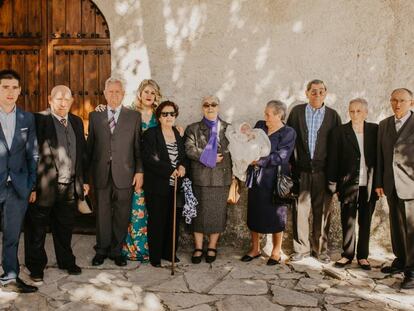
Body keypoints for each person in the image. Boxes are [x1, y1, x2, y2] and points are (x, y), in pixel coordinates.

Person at [24, 85, 89, 282]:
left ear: (71, 101)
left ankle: (66, 261)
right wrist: (32, 186)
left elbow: (81, 154)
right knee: (36, 229)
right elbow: (29, 154)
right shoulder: (39, 120)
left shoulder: (77, 122)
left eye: (67, 99)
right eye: (59, 98)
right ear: (50, 100)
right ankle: (36, 266)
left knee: (65, 227)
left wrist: (82, 181)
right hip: (44, 186)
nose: (63, 103)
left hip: (68, 186)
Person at [94, 79, 162, 262]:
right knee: (132, 210)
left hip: (150, 170)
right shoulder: (130, 112)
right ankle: (119, 248)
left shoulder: (159, 115)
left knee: (138, 211)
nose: (149, 95)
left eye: (152, 92)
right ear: (139, 93)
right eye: (146, 91)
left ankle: (143, 247)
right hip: (127, 170)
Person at [87, 77, 143, 267]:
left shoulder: (133, 117)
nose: (114, 95)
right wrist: (87, 177)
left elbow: (138, 148)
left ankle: (117, 250)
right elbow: (91, 147)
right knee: (102, 212)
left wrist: (139, 172)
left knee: (122, 213)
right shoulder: (95, 116)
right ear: (104, 93)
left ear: (123, 94)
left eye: (117, 91)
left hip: (125, 173)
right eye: (110, 91)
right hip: (101, 172)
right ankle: (101, 249)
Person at [287, 79, 341, 263]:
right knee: (300, 211)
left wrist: (335, 177)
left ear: (326, 93)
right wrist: (290, 169)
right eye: (313, 91)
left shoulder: (333, 116)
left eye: (321, 91)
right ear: (307, 93)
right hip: (301, 171)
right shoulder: (296, 113)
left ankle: (320, 250)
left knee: (323, 212)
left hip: (323, 172)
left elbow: (337, 148)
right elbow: (289, 140)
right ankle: (301, 249)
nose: (317, 94)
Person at [241, 100, 296, 265]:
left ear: (279, 115)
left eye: (268, 114)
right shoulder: (260, 125)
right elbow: (248, 141)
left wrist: (258, 161)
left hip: (275, 179)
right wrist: (245, 133)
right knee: (254, 212)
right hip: (256, 178)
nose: (265, 116)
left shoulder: (288, 132)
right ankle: (255, 249)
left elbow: (282, 156)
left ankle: (276, 251)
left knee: (277, 215)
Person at [327, 98, 378, 270]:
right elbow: (333, 160)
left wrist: (379, 184)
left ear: (366, 112)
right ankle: (347, 255)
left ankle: (363, 256)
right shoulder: (339, 132)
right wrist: (333, 186)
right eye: (351, 111)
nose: (355, 114)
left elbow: (380, 160)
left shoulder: (375, 130)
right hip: (348, 184)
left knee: (365, 221)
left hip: (369, 185)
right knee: (347, 220)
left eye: (358, 111)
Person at [0, 69, 38, 293]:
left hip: (17, 187)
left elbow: (33, 153)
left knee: (12, 236)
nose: (10, 92)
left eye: (14, 88)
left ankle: (10, 276)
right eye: (5, 87)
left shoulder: (27, 118)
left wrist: (31, 183)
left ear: (20, 90)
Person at [185, 95, 232, 264]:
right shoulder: (193, 129)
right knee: (197, 214)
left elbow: (238, 150)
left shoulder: (230, 129)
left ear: (218, 107)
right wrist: (210, 156)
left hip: (222, 178)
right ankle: (198, 247)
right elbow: (189, 150)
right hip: (200, 177)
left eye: (213, 104)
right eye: (206, 104)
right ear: (202, 107)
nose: (210, 107)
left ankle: (212, 246)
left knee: (218, 214)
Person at [375, 88, 414, 289]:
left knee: (411, 230)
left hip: (411, 185)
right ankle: (400, 260)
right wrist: (380, 182)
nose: (397, 104)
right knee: (396, 227)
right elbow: (381, 156)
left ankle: (412, 271)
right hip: (391, 184)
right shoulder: (384, 125)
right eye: (394, 100)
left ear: (411, 103)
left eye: (402, 100)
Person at [142, 101, 187, 267]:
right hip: (157, 186)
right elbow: (149, 159)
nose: (169, 117)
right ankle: (155, 256)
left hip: (175, 186)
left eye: (172, 114)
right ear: (159, 117)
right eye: (165, 114)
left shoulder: (177, 133)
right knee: (157, 221)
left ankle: (170, 253)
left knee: (173, 220)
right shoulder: (150, 134)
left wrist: (182, 166)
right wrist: (169, 170)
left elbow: (183, 157)